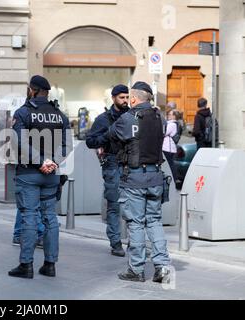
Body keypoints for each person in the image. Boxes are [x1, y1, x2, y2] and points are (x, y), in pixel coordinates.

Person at [8, 75, 71, 279]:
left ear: (32, 90)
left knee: (29, 217)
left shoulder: (24, 113)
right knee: (50, 218)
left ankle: (26, 265)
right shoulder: (60, 115)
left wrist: (40, 160)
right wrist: (52, 161)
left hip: (29, 173)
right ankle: (50, 265)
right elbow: (67, 146)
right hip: (51, 174)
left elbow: (20, 143)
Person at [109, 81, 171, 283]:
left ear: (133, 98)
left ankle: (136, 269)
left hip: (134, 177)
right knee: (154, 221)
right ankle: (161, 267)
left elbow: (111, 136)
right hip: (156, 176)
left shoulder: (127, 118)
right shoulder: (159, 118)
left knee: (135, 223)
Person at [86, 84, 130, 257]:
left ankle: (135, 242)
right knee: (114, 205)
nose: (125, 101)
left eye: (127, 97)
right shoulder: (104, 119)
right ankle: (116, 242)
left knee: (134, 205)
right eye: (122, 97)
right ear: (113, 98)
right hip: (112, 163)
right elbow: (90, 141)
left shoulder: (132, 116)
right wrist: (107, 136)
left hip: (131, 164)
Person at [162, 109, 179, 180]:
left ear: (174, 116)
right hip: (167, 147)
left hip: (168, 148)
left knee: (170, 165)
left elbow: (164, 132)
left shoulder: (172, 124)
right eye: (168, 114)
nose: (168, 116)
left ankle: (174, 179)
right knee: (170, 164)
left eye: (170, 114)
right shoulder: (169, 123)